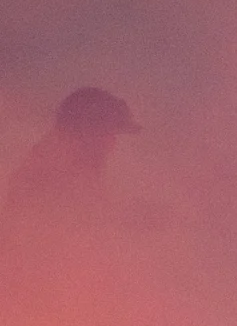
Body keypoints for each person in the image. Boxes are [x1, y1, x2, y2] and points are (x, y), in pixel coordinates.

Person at [2, 86, 142, 237]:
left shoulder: (68, 168)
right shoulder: (54, 173)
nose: (113, 143)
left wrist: (134, 217)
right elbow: (78, 225)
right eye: (109, 133)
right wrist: (132, 219)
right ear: (86, 132)